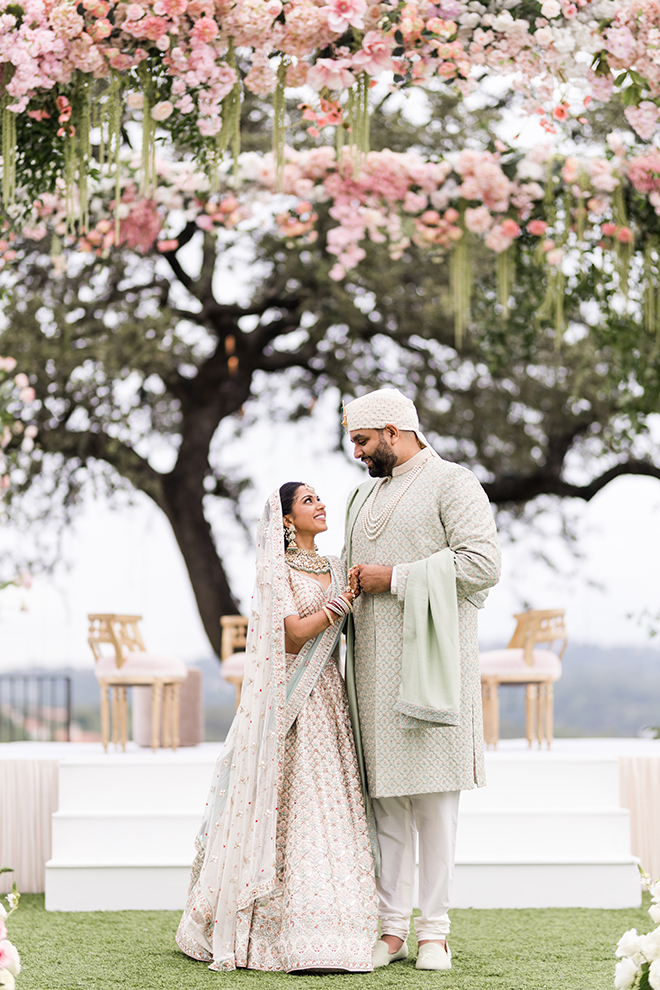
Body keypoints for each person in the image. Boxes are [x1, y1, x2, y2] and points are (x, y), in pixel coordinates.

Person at [176, 483, 378, 973]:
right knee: (288, 803)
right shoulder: (275, 569)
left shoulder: (333, 564)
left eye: (319, 499)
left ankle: (337, 926)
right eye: (309, 501)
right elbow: (291, 633)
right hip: (290, 699)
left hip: (329, 694)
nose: (321, 505)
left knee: (329, 802)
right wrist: (342, 602)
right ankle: (273, 928)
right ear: (287, 520)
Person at [342, 387, 501, 972]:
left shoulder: (452, 482)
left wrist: (399, 578)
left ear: (392, 429)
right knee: (384, 805)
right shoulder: (362, 496)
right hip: (371, 673)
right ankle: (390, 931)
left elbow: (483, 564)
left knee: (434, 805)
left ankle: (433, 931)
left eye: (361, 440)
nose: (356, 453)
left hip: (433, 668)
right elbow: (350, 576)